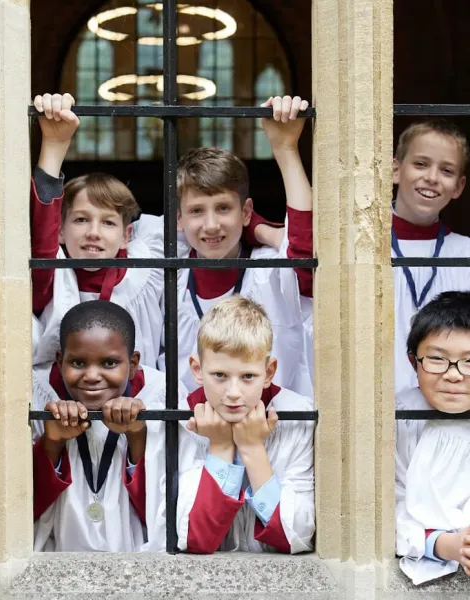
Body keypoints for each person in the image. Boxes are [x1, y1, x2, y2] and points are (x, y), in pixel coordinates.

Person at [28, 93, 277, 368]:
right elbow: (43, 236)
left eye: (109, 222)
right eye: (80, 220)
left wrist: (263, 230)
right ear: (61, 231)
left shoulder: (148, 255)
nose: (93, 232)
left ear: (127, 234)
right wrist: (54, 145)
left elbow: (210, 227)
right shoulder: (56, 275)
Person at [163, 96, 314, 396]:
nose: (210, 225)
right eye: (196, 211)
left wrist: (284, 148)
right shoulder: (168, 275)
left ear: (245, 212)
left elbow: (304, 246)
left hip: (273, 432)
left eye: (223, 209)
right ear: (178, 219)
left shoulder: (269, 270)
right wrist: (259, 228)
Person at [31, 300, 200, 552]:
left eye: (109, 363)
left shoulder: (162, 395)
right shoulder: (40, 395)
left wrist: (136, 436)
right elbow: (22, 506)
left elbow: (168, 508)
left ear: (132, 364)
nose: (91, 376)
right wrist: (53, 441)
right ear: (59, 360)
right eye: (77, 363)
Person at [176, 296, 315, 553]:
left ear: (269, 371)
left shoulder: (297, 415)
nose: (233, 392)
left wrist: (251, 447)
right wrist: (219, 446)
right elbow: (196, 537)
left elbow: (297, 535)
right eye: (220, 375)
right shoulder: (183, 418)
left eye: (248, 376)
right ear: (197, 369)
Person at [396, 291, 470, 584]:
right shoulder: (397, 418)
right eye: (437, 359)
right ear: (414, 363)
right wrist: (448, 545)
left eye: (469, 361)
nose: (454, 375)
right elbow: (384, 508)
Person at [391, 120, 470, 393]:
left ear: (459, 187)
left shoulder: (465, 253)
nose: (432, 177)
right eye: (421, 164)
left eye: (446, 170)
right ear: (395, 170)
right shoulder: (358, 251)